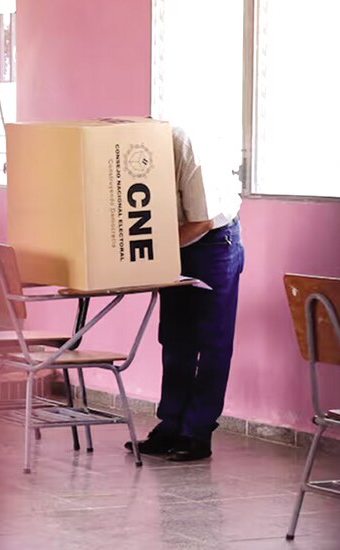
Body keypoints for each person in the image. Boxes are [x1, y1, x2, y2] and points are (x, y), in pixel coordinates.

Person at [125, 125, 244, 461]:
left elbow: (202, 221)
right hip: (175, 238)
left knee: (212, 342)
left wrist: (155, 252)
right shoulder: (127, 152)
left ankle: (197, 432)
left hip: (214, 242)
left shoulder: (185, 149)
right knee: (175, 338)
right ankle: (171, 425)